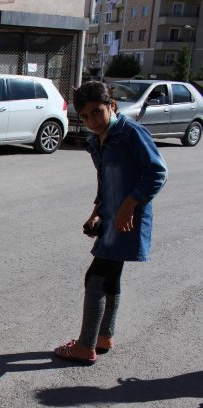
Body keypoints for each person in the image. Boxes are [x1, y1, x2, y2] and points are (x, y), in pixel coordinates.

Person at [54, 81, 167, 365]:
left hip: (126, 222)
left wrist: (129, 205)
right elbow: (107, 181)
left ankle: (85, 346)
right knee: (109, 278)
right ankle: (103, 336)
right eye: (86, 116)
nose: (92, 120)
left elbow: (157, 172)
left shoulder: (130, 134)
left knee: (95, 279)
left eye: (97, 112)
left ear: (112, 107)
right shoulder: (98, 141)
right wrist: (97, 211)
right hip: (112, 219)